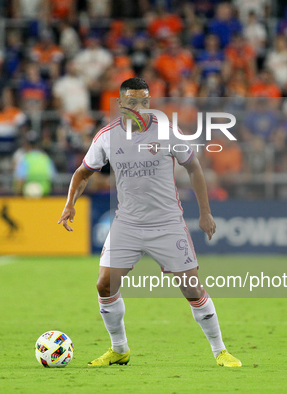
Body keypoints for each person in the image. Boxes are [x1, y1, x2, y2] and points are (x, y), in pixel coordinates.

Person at [57, 77, 241, 368]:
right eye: (132, 102)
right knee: (104, 284)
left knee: (191, 287)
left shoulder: (167, 132)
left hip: (167, 223)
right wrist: (70, 204)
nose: (139, 107)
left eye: (144, 101)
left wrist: (205, 213)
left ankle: (220, 351)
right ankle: (120, 349)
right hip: (127, 224)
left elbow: (193, 167)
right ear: (120, 104)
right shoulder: (106, 136)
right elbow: (83, 173)